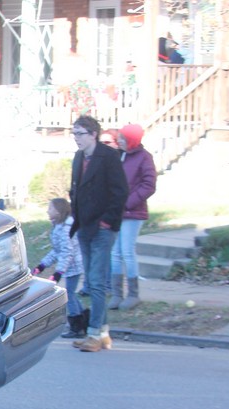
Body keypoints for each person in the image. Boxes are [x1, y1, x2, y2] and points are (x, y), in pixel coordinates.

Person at [68, 115, 129, 353]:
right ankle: (102, 333)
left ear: (93, 134)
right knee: (91, 281)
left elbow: (120, 192)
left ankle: (94, 333)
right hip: (84, 225)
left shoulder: (109, 157)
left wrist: (108, 221)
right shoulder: (78, 157)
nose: (76, 139)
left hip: (102, 228)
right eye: (73, 133)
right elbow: (76, 189)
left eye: (80, 133)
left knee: (95, 282)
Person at [110, 123, 157, 310]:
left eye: (122, 137)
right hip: (116, 212)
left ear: (132, 140)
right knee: (115, 253)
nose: (119, 140)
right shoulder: (118, 156)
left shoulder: (145, 158)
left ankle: (133, 294)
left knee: (127, 252)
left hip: (132, 212)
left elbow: (149, 185)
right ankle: (116, 294)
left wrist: (128, 202)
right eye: (119, 137)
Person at [32, 198, 86, 338]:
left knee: (69, 294)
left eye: (50, 208)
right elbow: (57, 250)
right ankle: (84, 321)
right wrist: (42, 266)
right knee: (71, 293)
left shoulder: (66, 228)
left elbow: (67, 252)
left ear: (58, 211)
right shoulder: (58, 226)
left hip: (74, 265)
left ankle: (77, 327)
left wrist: (58, 273)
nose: (47, 211)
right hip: (70, 265)